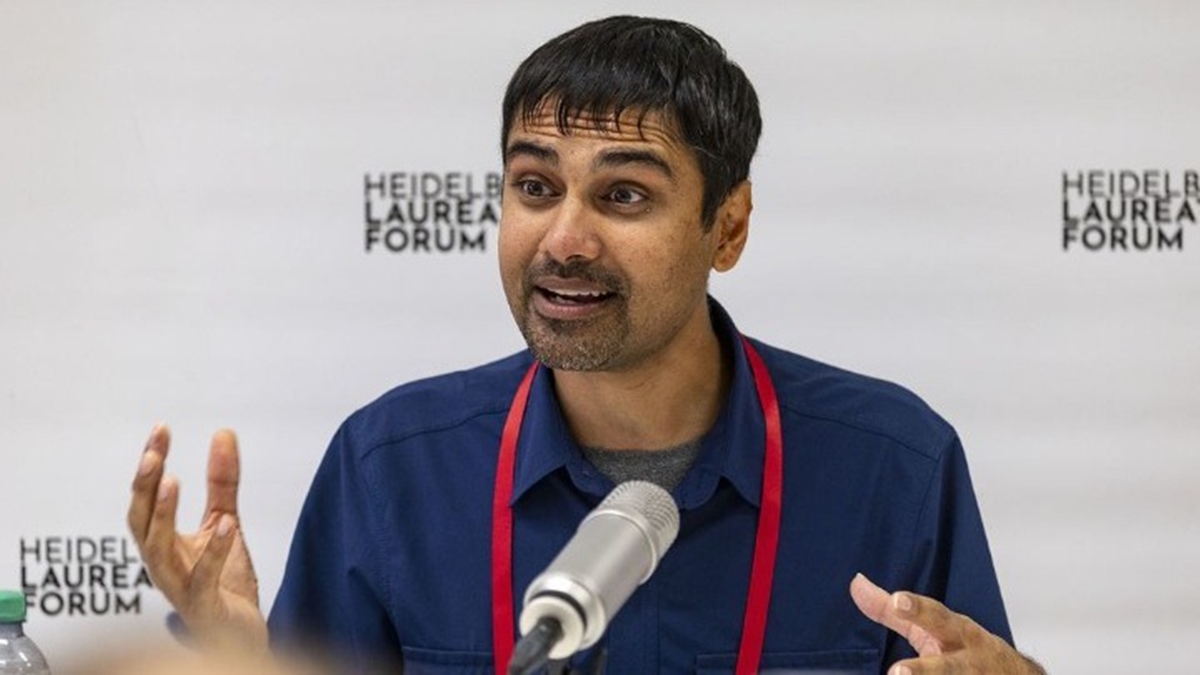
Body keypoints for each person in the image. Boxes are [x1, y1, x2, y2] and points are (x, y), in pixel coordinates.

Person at [127, 15, 1045, 675]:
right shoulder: (392, 466)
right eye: (534, 186)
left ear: (727, 227)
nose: (564, 239)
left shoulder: (893, 465)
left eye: (624, 195)